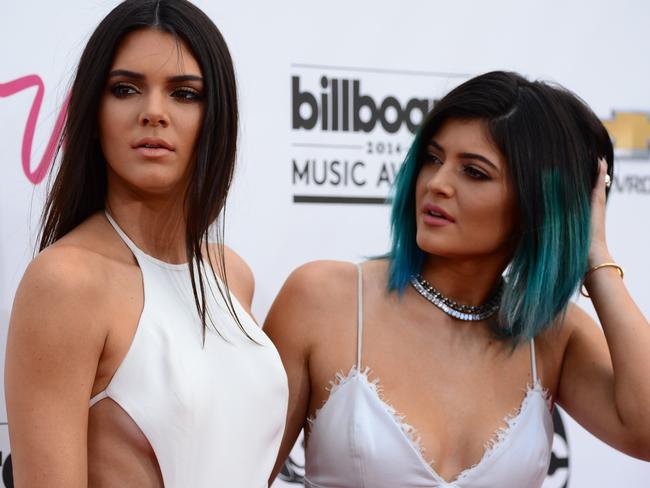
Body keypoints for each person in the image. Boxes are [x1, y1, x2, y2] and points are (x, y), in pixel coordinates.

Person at [265, 71, 650, 487]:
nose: (437, 183)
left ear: (537, 203)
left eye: (475, 172)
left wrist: (594, 254)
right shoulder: (324, 298)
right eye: (433, 158)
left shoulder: (551, 334)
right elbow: (242, 474)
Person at [5, 1, 288, 487]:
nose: (153, 113)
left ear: (216, 114)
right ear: (94, 111)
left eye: (184, 94)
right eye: (125, 89)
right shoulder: (66, 282)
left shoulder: (231, 274)